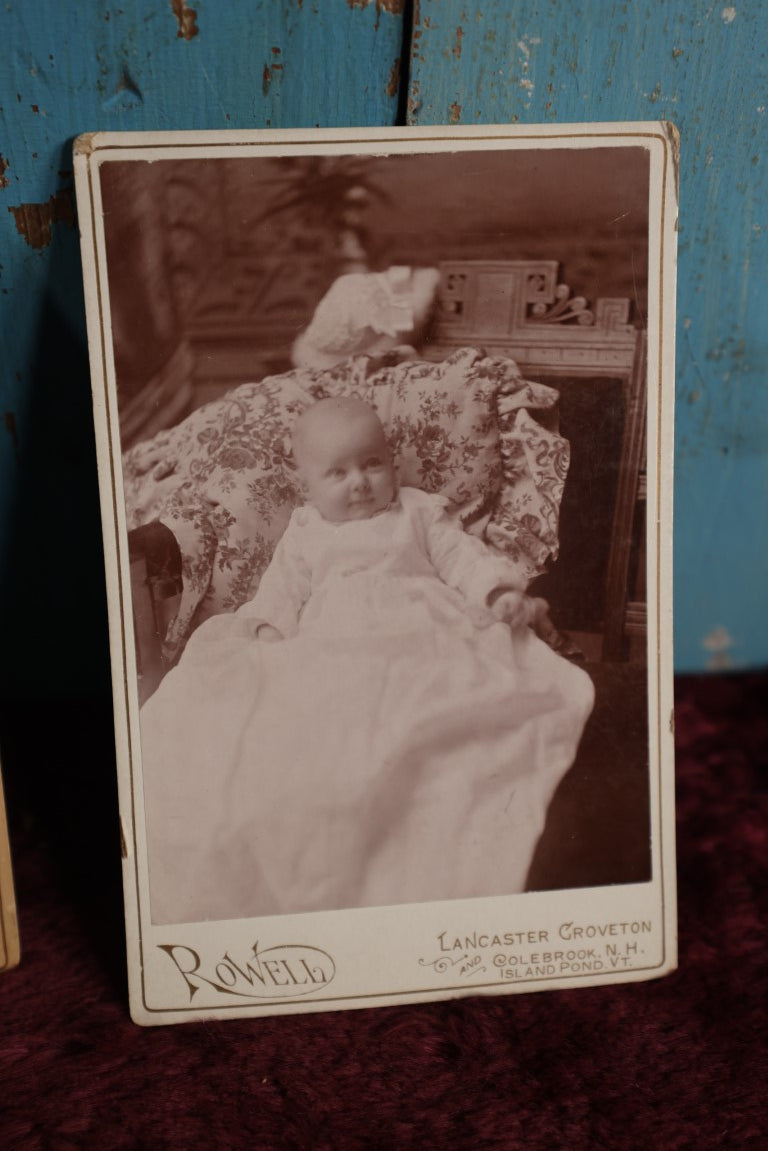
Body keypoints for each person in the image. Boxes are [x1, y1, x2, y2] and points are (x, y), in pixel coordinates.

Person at [141, 399, 594, 924]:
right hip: (336, 635)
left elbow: (460, 558)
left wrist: (495, 594)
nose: (359, 482)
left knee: (445, 687)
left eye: (371, 464)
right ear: (308, 482)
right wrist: (269, 627)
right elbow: (282, 590)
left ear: (391, 462)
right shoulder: (307, 530)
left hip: (423, 623)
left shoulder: (418, 511)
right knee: (317, 712)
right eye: (338, 472)